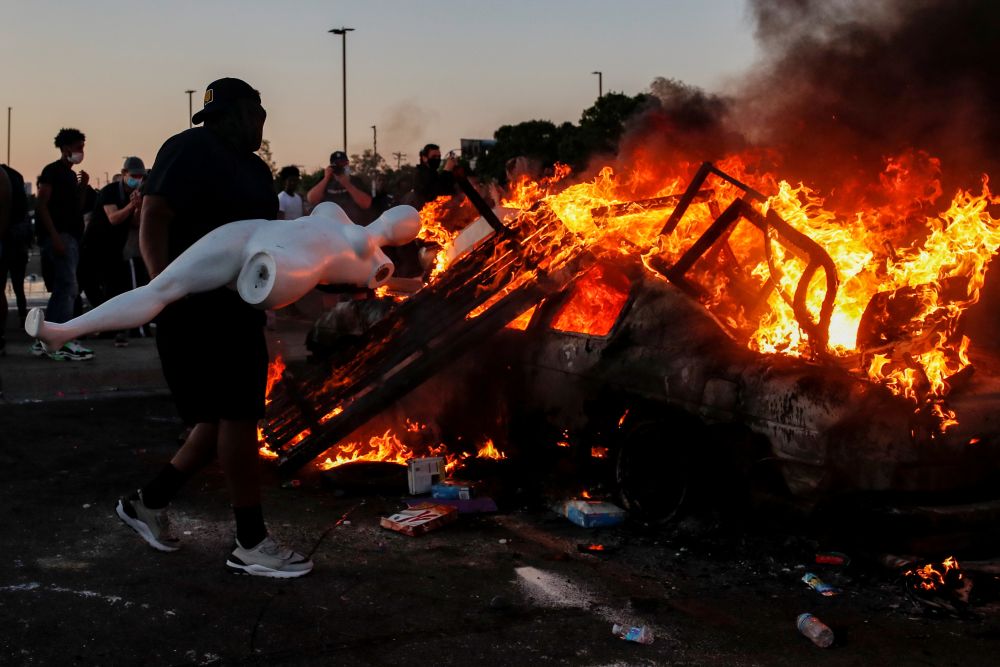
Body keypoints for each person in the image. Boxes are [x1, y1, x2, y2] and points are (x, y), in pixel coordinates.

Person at [115, 77, 309, 578]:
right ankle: (250, 541)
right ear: (240, 113)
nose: (263, 123)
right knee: (238, 417)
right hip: (196, 307)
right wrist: (163, 288)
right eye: (257, 114)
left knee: (216, 421)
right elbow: (154, 215)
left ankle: (147, 503)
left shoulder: (254, 168)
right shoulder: (190, 148)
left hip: (236, 307)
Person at [26, 201, 421, 350]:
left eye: (407, 222)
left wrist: (418, 285)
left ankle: (66, 331)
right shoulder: (337, 213)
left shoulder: (377, 264)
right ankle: (64, 331)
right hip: (255, 230)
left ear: (405, 234)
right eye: (402, 213)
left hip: (293, 261)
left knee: (263, 273)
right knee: (162, 287)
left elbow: (353, 287)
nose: (399, 219)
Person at [33, 128, 94, 360]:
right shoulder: (52, 171)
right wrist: (55, 236)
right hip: (61, 238)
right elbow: (41, 205)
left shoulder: (70, 175)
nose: (81, 152)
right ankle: (62, 339)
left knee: (63, 289)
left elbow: (75, 208)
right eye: (79, 148)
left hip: (71, 237)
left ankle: (46, 338)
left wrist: (83, 185)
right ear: (66, 148)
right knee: (68, 288)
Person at [77, 156, 149, 346]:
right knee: (86, 284)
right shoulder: (110, 191)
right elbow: (114, 218)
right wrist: (131, 205)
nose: (137, 179)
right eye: (134, 175)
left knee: (115, 289)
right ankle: (83, 326)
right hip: (93, 246)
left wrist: (139, 207)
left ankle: (112, 327)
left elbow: (135, 223)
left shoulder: (136, 193)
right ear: (124, 174)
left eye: (140, 176)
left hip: (115, 250)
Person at [0, 164, 30, 355]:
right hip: (14, 245)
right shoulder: (9, 177)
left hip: (8, 242)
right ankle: (21, 318)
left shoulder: (2, 178)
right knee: (15, 285)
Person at [305, 150, 372, 224]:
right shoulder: (325, 181)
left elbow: (366, 204)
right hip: (330, 227)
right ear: (331, 166)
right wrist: (326, 178)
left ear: (347, 164)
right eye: (337, 164)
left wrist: (347, 184)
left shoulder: (356, 181)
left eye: (343, 164)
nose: (340, 168)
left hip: (352, 227)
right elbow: (311, 199)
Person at [411, 143, 458, 209]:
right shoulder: (421, 174)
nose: (437, 159)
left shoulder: (433, 173)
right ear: (424, 158)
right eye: (434, 157)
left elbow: (450, 190)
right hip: (425, 213)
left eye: (439, 157)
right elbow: (436, 191)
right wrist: (446, 171)